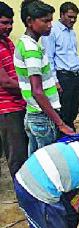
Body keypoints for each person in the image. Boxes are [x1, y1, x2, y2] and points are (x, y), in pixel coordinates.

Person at [14, 0, 74, 156]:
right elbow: (37, 91)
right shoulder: (31, 49)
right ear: (29, 21)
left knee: (34, 161)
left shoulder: (24, 44)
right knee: (48, 164)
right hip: (42, 117)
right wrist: (60, 124)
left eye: (51, 20)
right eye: (45, 21)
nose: (50, 25)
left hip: (33, 113)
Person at [42, 2, 79, 131]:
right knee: (64, 111)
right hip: (63, 77)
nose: (73, 20)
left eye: (75, 17)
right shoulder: (52, 31)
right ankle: (63, 136)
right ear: (61, 15)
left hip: (74, 76)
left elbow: (73, 54)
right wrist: (55, 81)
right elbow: (48, 58)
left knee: (73, 109)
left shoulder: (71, 32)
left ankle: (69, 131)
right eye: (70, 16)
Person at [0, 2, 28, 177]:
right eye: (4, 23)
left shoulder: (8, 42)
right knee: (17, 156)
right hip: (7, 109)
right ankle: (23, 197)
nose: (9, 27)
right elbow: (6, 82)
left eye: (10, 23)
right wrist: (33, 91)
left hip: (19, 104)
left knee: (24, 153)